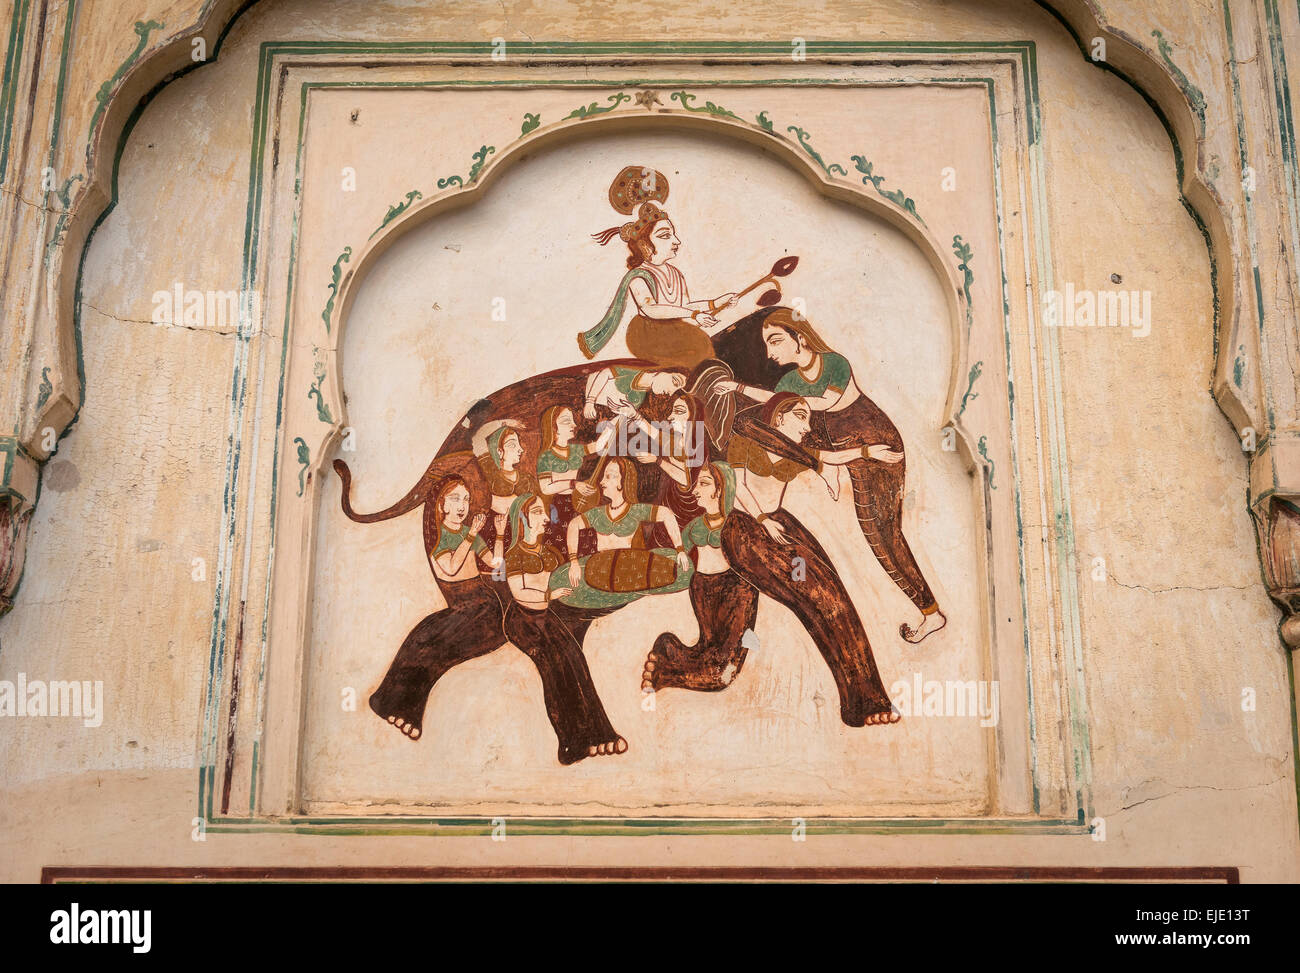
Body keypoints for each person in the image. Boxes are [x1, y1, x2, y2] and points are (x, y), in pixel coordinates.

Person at [720, 308, 946, 643]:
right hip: (840, 449)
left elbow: (820, 403)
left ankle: (931, 613)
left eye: (776, 340)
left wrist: (743, 389)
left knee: (882, 534)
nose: (770, 352)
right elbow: (789, 414)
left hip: (875, 445)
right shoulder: (787, 383)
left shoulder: (834, 364)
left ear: (800, 336)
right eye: (767, 345)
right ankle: (930, 612)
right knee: (869, 535)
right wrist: (823, 465)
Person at [721, 393, 900, 725]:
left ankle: (865, 699)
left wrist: (866, 452)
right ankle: (862, 700)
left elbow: (831, 457)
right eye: (800, 417)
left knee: (835, 600)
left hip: (778, 525)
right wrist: (761, 519)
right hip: (746, 530)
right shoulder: (746, 440)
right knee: (816, 598)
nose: (806, 427)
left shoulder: (795, 451)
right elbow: (736, 486)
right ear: (779, 418)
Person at [367, 477, 507, 741]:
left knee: (434, 649)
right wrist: (470, 535)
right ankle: (388, 702)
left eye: (465, 499)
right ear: (442, 505)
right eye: (455, 498)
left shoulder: (469, 534)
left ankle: (406, 711)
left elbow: (497, 566)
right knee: (420, 637)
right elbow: (451, 567)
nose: (462, 505)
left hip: (484, 611)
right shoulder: (440, 538)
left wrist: (498, 534)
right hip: (462, 610)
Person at [500, 492, 627, 761]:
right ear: (522, 518)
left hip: (546, 616)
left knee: (574, 659)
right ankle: (570, 742)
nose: (545, 519)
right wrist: (549, 595)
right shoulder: (515, 554)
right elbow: (519, 592)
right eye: (537, 513)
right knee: (554, 665)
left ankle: (599, 733)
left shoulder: (550, 552)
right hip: (522, 619)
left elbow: (563, 583)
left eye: (544, 513)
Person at [579, 166, 739, 368]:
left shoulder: (675, 273)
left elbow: (683, 307)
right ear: (644, 245)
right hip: (647, 334)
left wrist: (715, 303)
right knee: (698, 346)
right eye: (665, 236)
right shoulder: (639, 277)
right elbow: (652, 309)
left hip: (672, 329)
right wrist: (694, 315)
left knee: (703, 344)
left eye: (673, 234)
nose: (676, 241)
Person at [642, 461, 760, 693]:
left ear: (720, 489)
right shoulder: (696, 525)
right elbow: (678, 552)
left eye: (704, 484)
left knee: (724, 671)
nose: (695, 491)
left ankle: (665, 670)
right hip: (702, 588)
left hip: (736, 590)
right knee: (706, 651)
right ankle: (668, 648)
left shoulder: (737, 523)